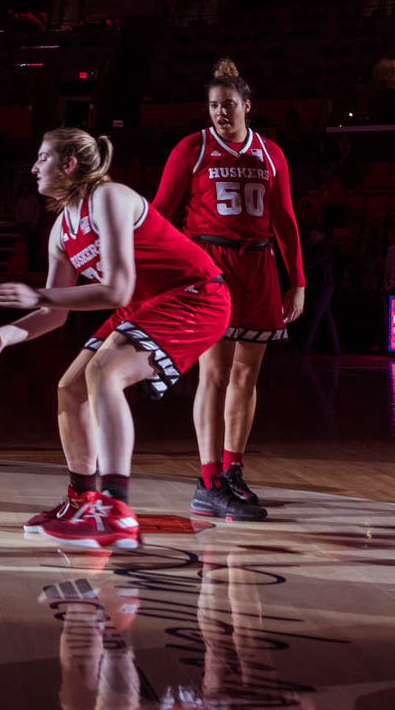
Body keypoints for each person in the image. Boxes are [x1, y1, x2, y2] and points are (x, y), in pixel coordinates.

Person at [0, 129, 231, 551]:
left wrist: (40, 294)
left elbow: (117, 289)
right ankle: (82, 500)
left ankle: (116, 510)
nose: (33, 167)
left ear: (69, 164)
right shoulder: (61, 230)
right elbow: (54, 314)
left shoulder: (109, 197)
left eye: (42, 157)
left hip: (196, 294)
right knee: (70, 389)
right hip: (147, 304)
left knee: (104, 372)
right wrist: (2, 335)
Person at [150, 62, 303, 522]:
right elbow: (159, 213)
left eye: (228, 105)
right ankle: (209, 477)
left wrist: (298, 280)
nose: (220, 113)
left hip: (258, 264)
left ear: (247, 107)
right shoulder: (191, 149)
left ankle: (234, 469)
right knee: (213, 374)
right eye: (213, 105)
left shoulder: (271, 152)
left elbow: (286, 221)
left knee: (246, 376)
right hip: (210, 265)